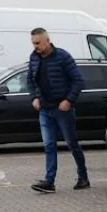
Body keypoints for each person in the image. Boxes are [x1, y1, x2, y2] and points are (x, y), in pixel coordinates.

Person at [27, 27, 88, 193]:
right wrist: (34, 97)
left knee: (72, 143)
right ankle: (49, 181)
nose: (35, 46)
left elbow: (78, 81)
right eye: (33, 43)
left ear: (47, 40)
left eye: (38, 43)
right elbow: (30, 81)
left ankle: (83, 176)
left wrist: (68, 100)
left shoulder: (63, 57)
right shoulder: (34, 58)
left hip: (62, 110)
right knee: (49, 145)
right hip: (44, 110)